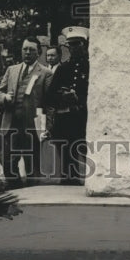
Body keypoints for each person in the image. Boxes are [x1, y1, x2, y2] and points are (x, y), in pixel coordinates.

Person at [0, 36, 55, 186]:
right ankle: (15, 189)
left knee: (32, 165)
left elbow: (50, 103)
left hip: (32, 127)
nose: (27, 52)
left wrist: (47, 127)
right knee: (7, 160)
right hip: (11, 125)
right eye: (25, 49)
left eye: (31, 50)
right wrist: (4, 98)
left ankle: (32, 197)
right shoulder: (12, 70)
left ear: (39, 52)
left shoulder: (45, 73)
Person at [49, 25, 90, 184]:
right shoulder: (63, 68)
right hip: (66, 120)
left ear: (84, 45)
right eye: (70, 45)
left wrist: (79, 99)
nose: (73, 49)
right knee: (67, 159)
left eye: (77, 44)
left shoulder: (90, 66)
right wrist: (63, 96)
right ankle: (68, 184)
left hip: (84, 119)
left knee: (88, 154)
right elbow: (50, 95)